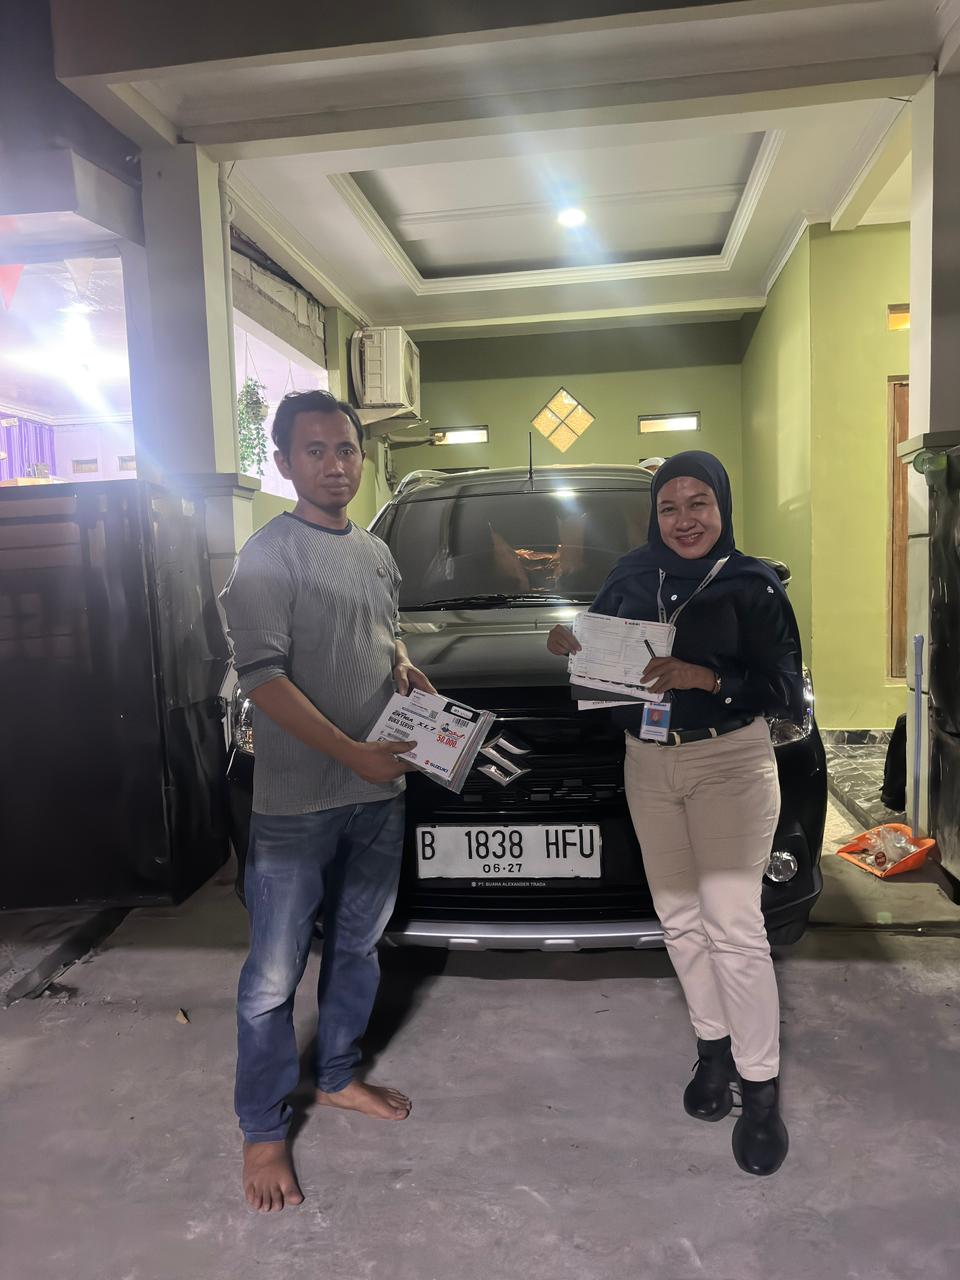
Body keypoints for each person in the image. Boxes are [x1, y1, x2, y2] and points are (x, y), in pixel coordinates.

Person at [547, 451, 804, 1177]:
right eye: (669, 507)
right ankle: (713, 1054)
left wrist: (705, 677)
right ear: (653, 515)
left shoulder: (752, 585)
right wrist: (571, 646)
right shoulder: (632, 575)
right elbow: (603, 660)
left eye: (699, 504)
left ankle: (760, 1093)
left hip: (729, 762)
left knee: (732, 923)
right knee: (680, 919)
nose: (684, 519)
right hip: (649, 763)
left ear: (722, 506)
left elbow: (785, 692)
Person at [220, 389, 435, 1213]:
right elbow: (263, 679)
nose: (335, 465)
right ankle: (263, 1127)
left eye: (345, 449)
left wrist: (402, 663)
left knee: (358, 946)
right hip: (297, 805)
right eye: (315, 451)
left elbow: (381, 628)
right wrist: (351, 754)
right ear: (284, 463)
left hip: (377, 793)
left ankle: (338, 1074)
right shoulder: (267, 555)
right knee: (272, 976)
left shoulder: (374, 551)